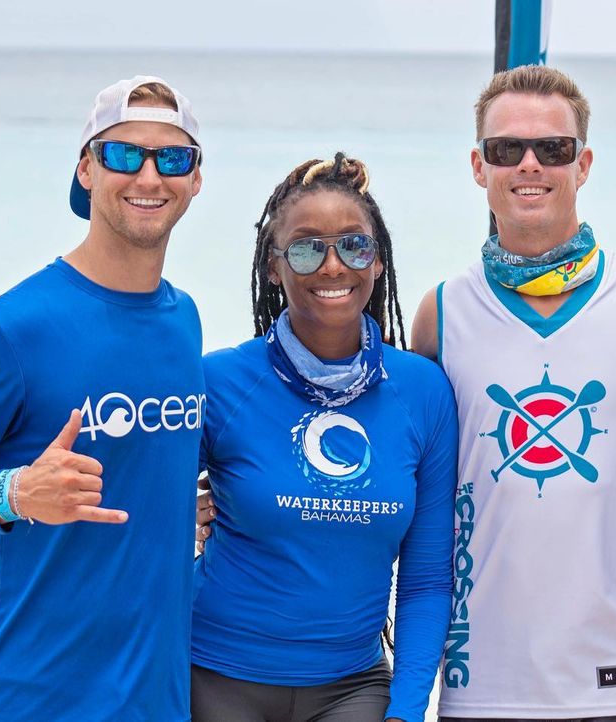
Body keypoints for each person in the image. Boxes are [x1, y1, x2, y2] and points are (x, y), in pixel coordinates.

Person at [0, 76, 205, 720]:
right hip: (27, 700)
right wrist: (13, 493)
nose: (149, 175)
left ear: (196, 179)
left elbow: (141, 474)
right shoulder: (10, 329)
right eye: (124, 154)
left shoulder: (183, 320)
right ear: (86, 168)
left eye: (173, 157)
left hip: (155, 703)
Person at [410, 65, 616, 721]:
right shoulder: (442, 313)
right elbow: (407, 487)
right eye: (507, 149)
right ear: (479, 167)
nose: (530, 165)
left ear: (584, 163)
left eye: (553, 149)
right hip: (477, 685)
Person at [191, 153, 457, 722]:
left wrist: (408, 710)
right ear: (273, 266)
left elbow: (427, 577)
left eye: (354, 246)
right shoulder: (219, 382)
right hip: (212, 676)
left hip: (352, 686)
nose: (333, 267)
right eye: (308, 248)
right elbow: (136, 508)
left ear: (378, 261)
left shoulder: (423, 392)